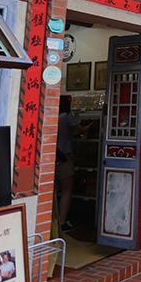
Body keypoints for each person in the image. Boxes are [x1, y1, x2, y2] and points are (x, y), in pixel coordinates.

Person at [57, 96, 91, 233]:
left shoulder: (54, 116)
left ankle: (52, 221)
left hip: (52, 157)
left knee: (54, 191)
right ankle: (62, 222)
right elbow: (81, 131)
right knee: (67, 191)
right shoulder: (67, 116)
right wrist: (91, 125)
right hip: (65, 157)